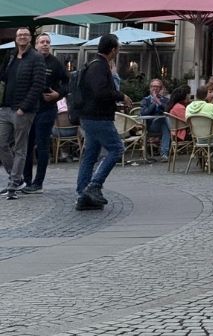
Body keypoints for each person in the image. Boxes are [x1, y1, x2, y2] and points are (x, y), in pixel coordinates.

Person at [76, 35, 124, 210]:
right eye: (117, 48)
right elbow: (100, 92)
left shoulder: (94, 63)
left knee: (90, 154)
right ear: (113, 50)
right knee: (117, 149)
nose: (118, 51)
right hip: (98, 117)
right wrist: (121, 96)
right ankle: (94, 185)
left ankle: (83, 196)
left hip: (89, 116)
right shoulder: (99, 66)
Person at [0, 27, 47, 199]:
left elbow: (38, 85)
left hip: (23, 111)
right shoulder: (11, 56)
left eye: (25, 35)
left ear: (30, 38)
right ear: (15, 38)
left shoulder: (36, 58)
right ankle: (18, 179)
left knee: (20, 148)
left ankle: (13, 184)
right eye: (19, 35)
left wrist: (24, 107)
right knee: (2, 144)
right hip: (5, 108)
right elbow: (4, 78)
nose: (22, 37)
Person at [22, 32, 69, 193]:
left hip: (47, 109)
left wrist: (58, 94)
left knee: (42, 146)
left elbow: (67, 83)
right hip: (29, 110)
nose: (45, 44)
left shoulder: (55, 63)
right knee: (26, 146)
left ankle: (38, 182)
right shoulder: (29, 60)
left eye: (47, 42)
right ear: (35, 45)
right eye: (42, 42)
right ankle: (26, 180)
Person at [139, 78, 171, 158]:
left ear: (161, 88)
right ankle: (164, 153)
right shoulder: (145, 100)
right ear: (150, 88)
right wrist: (154, 103)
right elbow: (144, 113)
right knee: (164, 121)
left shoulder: (165, 100)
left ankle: (164, 153)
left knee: (164, 123)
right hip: (150, 126)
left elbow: (167, 110)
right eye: (153, 86)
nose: (155, 88)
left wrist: (159, 102)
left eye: (157, 86)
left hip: (163, 125)